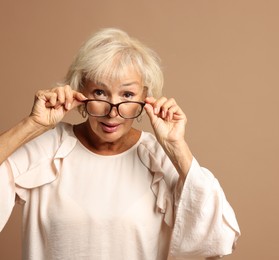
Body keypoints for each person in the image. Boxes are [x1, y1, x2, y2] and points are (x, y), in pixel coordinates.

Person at [0, 28, 240, 260]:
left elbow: (219, 239)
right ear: (80, 92)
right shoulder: (49, 148)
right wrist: (32, 124)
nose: (112, 111)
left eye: (127, 95)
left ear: (145, 98)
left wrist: (176, 146)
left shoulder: (158, 158)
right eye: (100, 92)